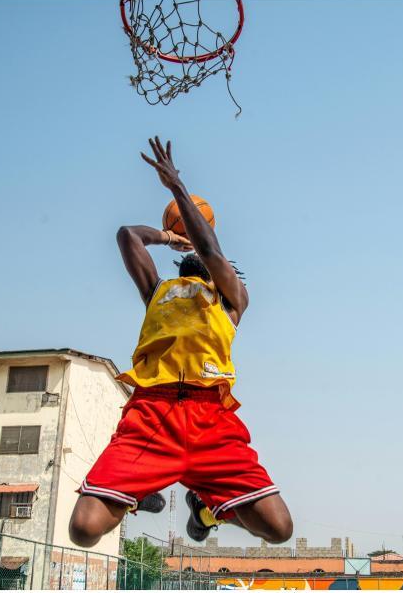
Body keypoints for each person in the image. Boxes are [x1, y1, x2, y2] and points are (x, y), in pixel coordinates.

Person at [69, 136, 293, 548]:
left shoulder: (230, 299)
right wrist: (170, 238)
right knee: (82, 530)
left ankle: (204, 508)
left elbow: (209, 248)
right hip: (152, 415)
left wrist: (177, 187)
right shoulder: (159, 292)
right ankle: (140, 490)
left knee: (279, 529)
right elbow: (126, 236)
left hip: (211, 417)